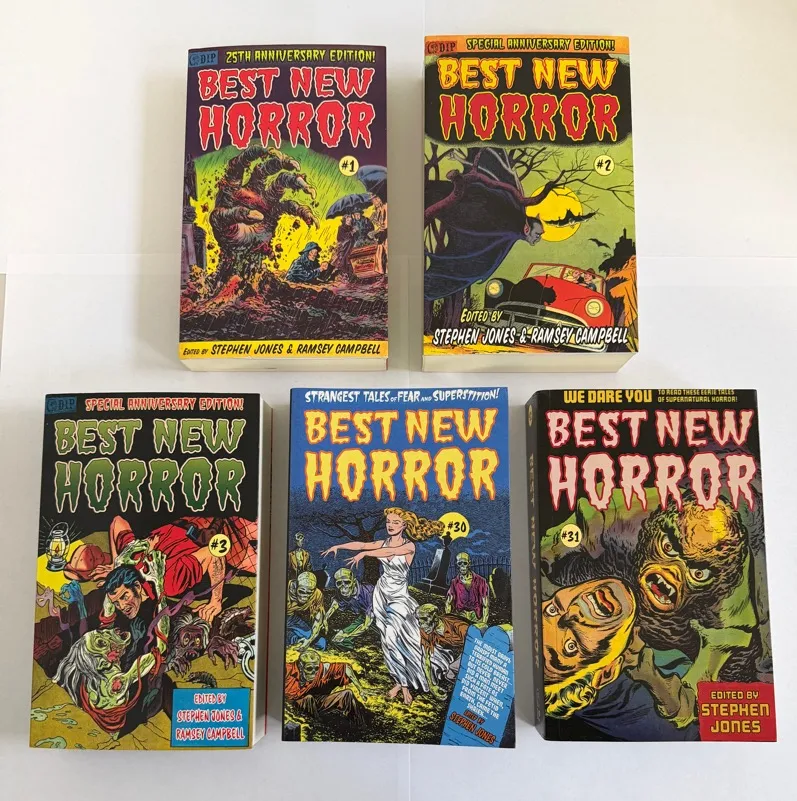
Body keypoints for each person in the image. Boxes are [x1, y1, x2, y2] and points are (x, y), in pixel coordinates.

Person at [543, 577, 699, 740]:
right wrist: (653, 677)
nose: (574, 612)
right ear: (607, 671)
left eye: (551, 610)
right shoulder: (629, 704)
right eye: (571, 646)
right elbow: (692, 730)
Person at [322, 507, 444, 705]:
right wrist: (339, 546)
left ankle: (406, 686)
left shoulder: (409, 546)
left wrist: (364, 555)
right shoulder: (382, 542)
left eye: (395, 522)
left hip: (399, 598)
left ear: (404, 525)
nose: (390, 525)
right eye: (388, 522)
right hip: (381, 594)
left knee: (398, 639)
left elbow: (390, 552)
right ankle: (399, 681)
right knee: (387, 642)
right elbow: (363, 544)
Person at [87, 516, 227, 623]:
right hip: (177, 526)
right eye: (116, 603)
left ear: (137, 586)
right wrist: (116, 563)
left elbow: (214, 553)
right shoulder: (128, 555)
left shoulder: (170, 583)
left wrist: (215, 601)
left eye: (124, 596)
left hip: (203, 527)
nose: (122, 606)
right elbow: (117, 521)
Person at [284, 649, 369, 726]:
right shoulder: (287, 669)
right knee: (308, 699)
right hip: (295, 705)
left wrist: (360, 689)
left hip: (315, 702)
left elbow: (346, 668)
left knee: (347, 694)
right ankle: (317, 726)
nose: (313, 673)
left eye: (316, 668)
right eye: (309, 669)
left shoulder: (322, 668)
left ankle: (360, 726)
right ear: (300, 666)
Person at [416, 603, 469, 699]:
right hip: (459, 649)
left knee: (453, 669)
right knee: (449, 675)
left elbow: (474, 645)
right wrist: (432, 686)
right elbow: (426, 659)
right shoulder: (426, 630)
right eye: (419, 621)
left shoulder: (457, 625)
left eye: (424, 620)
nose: (422, 625)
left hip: (475, 645)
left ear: (435, 618)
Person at [324, 568, 374, 650]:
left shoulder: (368, 593)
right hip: (364, 616)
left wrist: (347, 635)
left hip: (382, 617)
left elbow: (366, 625)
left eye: (347, 582)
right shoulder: (342, 592)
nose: (343, 587)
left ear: (354, 582)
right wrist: (325, 618)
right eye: (339, 583)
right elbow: (335, 604)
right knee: (337, 640)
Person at [445, 551, 490, 625]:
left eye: (465, 563)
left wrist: (484, 623)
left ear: (469, 564)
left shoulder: (481, 581)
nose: (462, 566)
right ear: (457, 565)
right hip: (460, 616)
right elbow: (448, 602)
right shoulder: (454, 582)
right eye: (460, 563)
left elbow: (486, 605)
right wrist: (449, 621)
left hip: (476, 617)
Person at [286, 571, 327, 650]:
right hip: (279, 618)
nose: (304, 596)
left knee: (321, 643)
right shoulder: (285, 588)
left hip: (292, 620)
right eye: (301, 591)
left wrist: (309, 641)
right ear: (296, 586)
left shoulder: (317, 594)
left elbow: (318, 622)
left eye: (308, 593)